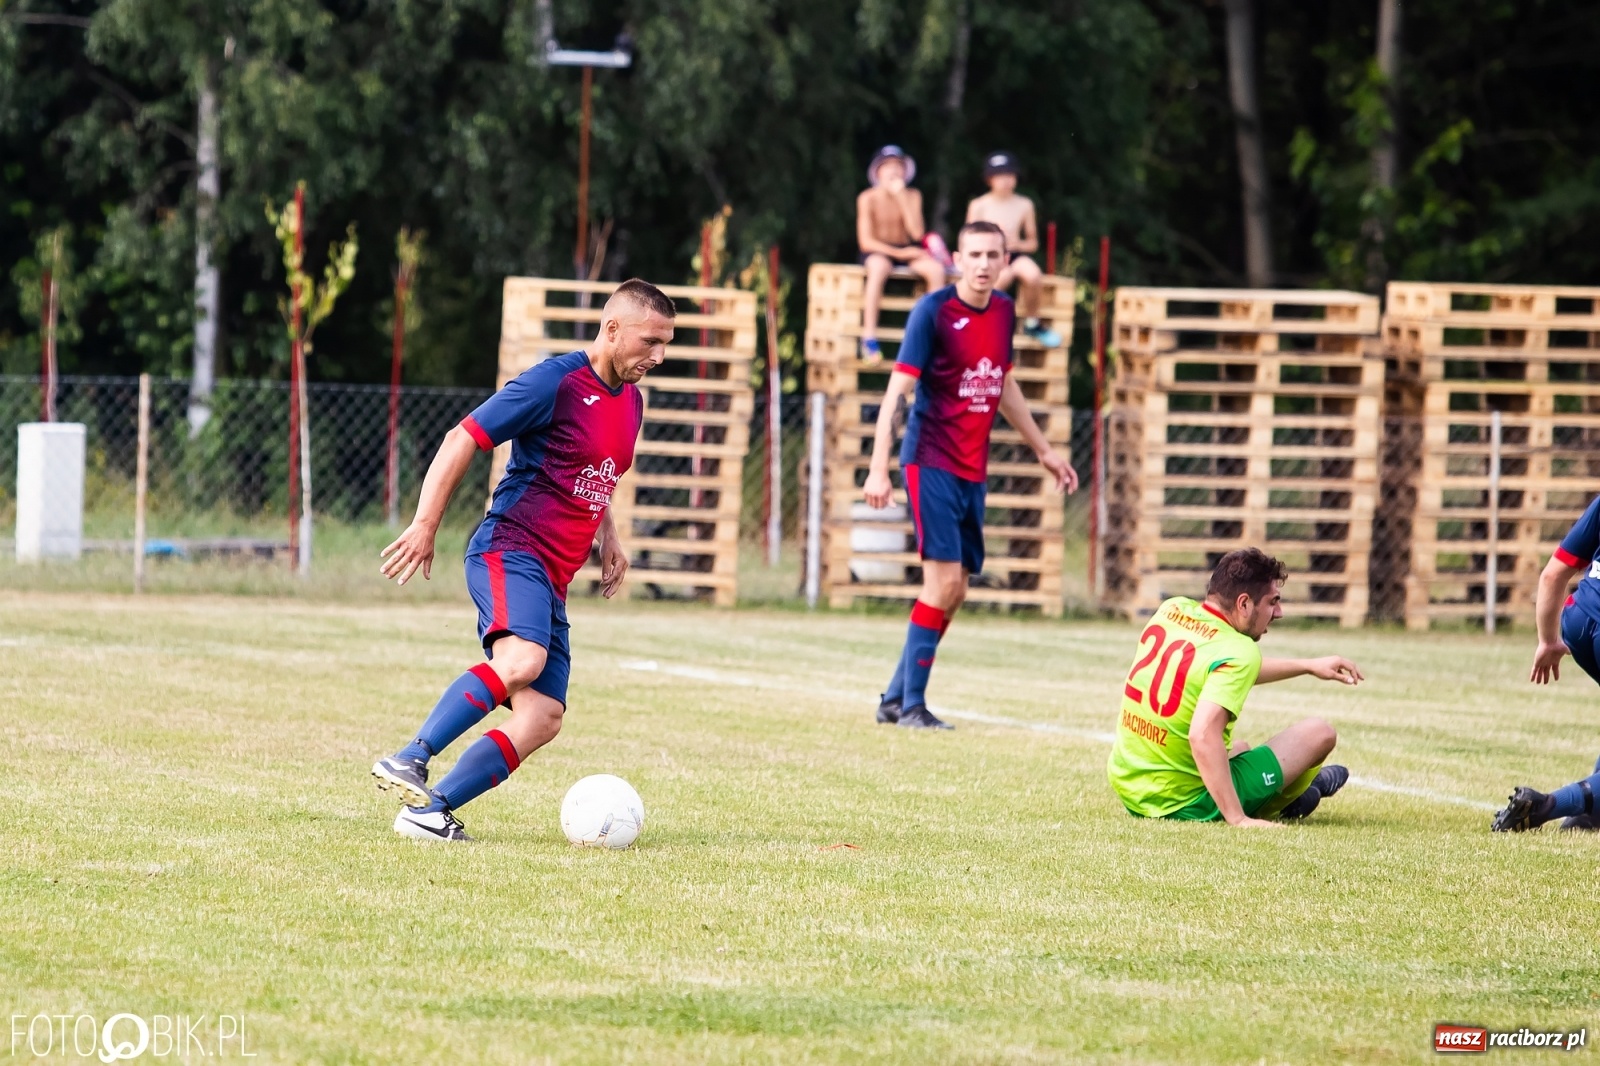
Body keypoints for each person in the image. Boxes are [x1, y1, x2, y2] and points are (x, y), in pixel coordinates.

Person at [370, 279, 675, 842]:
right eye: (650, 341)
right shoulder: (553, 383)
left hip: (552, 577)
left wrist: (608, 535)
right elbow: (462, 437)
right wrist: (425, 524)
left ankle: (429, 812)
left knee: (542, 717)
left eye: (665, 344)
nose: (658, 356)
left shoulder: (630, 402)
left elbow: (595, 472)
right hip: (510, 549)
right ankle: (410, 756)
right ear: (612, 330)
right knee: (524, 659)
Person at [862, 220, 1078, 730]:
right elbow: (897, 393)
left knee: (957, 587)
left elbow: (1002, 385)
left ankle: (895, 698)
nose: (983, 264)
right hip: (929, 459)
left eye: (993, 255)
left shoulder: (1003, 312)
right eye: (974, 254)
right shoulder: (932, 313)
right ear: (957, 257)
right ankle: (913, 707)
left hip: (971, 469)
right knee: (940, 584)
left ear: (1005, 261)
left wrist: (1045, 450)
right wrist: (878, 468)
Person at [1106, 549, 1363, 827]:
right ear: (1244, 604)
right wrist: (1237, 819)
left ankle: (1293, 795)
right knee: (1319, 733)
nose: (1279, 612)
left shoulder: (1172, 610)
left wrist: (1307, 665)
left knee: (1239, 748)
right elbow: (1202, 735)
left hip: (1130, 784)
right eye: (1272, 602)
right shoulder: (1240, 651)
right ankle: (1291, 800)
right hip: (1182, 801)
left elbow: (1219, 668)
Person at [1492, 495, 1600, 832]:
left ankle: (1591, 814)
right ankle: (1544, 806)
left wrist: (1548, 640)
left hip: (1579, 620)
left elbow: (1553, 574)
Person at [856, 145, 949, 359]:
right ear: (877, 172)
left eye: (898, 166)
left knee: (935, 270)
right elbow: (866, 242)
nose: (893, 172)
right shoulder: (867, 198)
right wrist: (900, 254)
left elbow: (917, 233)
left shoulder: (913, 196)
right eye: (887, 166)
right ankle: (868, 337)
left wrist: (901, 199)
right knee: (879, 268)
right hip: (879, 250)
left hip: (906, 247)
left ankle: (931, 335)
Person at [965, 151, 1060, 348]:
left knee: (1033, 275)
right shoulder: (979, 205)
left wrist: (1015, 244)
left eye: (1010, 175)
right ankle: (983, 323)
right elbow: (968, 241)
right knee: (1000, 279)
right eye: (1000, 176)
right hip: (989, 256)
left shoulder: (1024, 204)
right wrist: (993, 239)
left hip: (1014, 253)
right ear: (989, 179)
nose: (1006, 181)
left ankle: (1032, 323)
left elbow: (1033, 243)